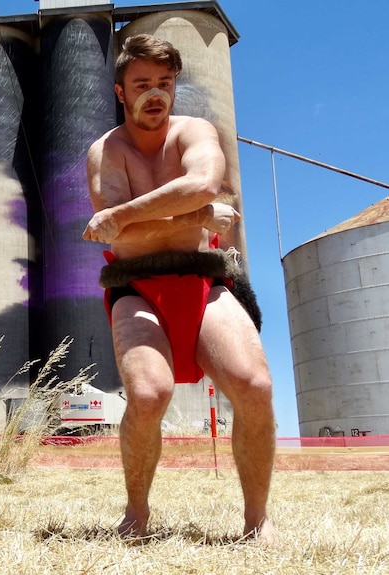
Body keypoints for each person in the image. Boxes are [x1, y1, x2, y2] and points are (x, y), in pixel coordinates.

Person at [82, 35, 276, 542]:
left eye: (164, 83)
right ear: (121, 91)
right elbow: (122, 239)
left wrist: (122, 213)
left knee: (254, 387)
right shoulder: (105, 151)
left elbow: (203, 184)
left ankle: (257, 521)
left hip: (201, 274)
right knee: (148, 393)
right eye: (142, 84)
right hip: (135, 284)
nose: (155, 94)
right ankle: (136, 513)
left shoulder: (196, 130)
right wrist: (197, 216)